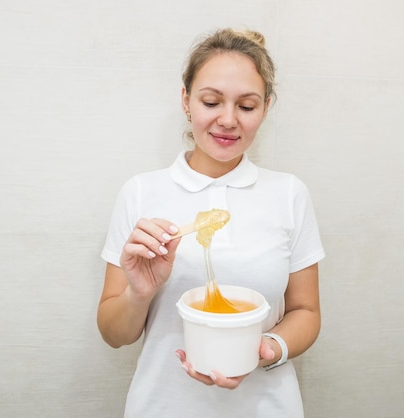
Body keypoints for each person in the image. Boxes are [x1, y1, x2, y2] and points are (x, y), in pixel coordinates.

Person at [97, 28, 325, 417]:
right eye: (211, 101)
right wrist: (139, 293)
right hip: (162, 406)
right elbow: (114, 334)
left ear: (265, 108)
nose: (228, 120)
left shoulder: (289, 194)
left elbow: (306, 311)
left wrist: (266, 348)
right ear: (186, 100)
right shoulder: (140, 192)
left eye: (247, 106)